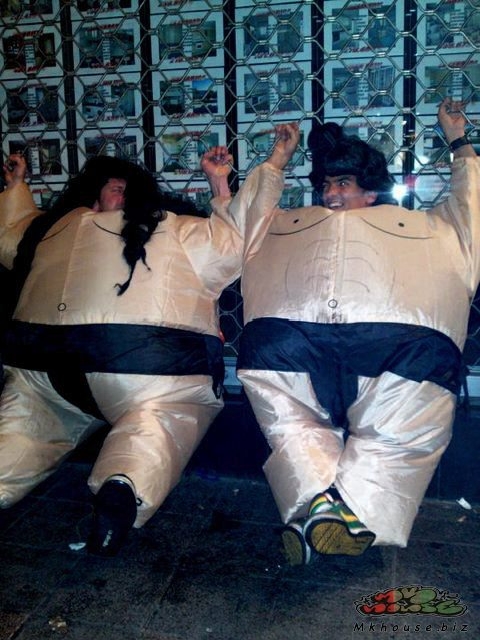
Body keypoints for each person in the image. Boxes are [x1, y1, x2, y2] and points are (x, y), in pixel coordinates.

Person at [232, 97, 480, 565]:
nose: (330, 194)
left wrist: (458, 140)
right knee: (308, 423)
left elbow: (471, 208)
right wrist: (277, 160)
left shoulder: (426, 227)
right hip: (298, 344)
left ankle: (319, 512)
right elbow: (248, 223)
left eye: (343, 183)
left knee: (370, 425)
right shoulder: (294, 227)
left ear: (371, 192)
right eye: (326, 184)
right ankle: (342, 511)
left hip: (391, 348)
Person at [0, 147, 249, 556]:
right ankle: (125, 486)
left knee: (28, 425)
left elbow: (10, 235)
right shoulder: (171, 227)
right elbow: (230, 246)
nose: (124, 196)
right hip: (138, 366)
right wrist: (219, 185)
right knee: (161, 416)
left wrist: (16, 189)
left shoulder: (51, 230)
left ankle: (112, 490)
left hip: (44, 364)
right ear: (94, 196)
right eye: (117, 188)